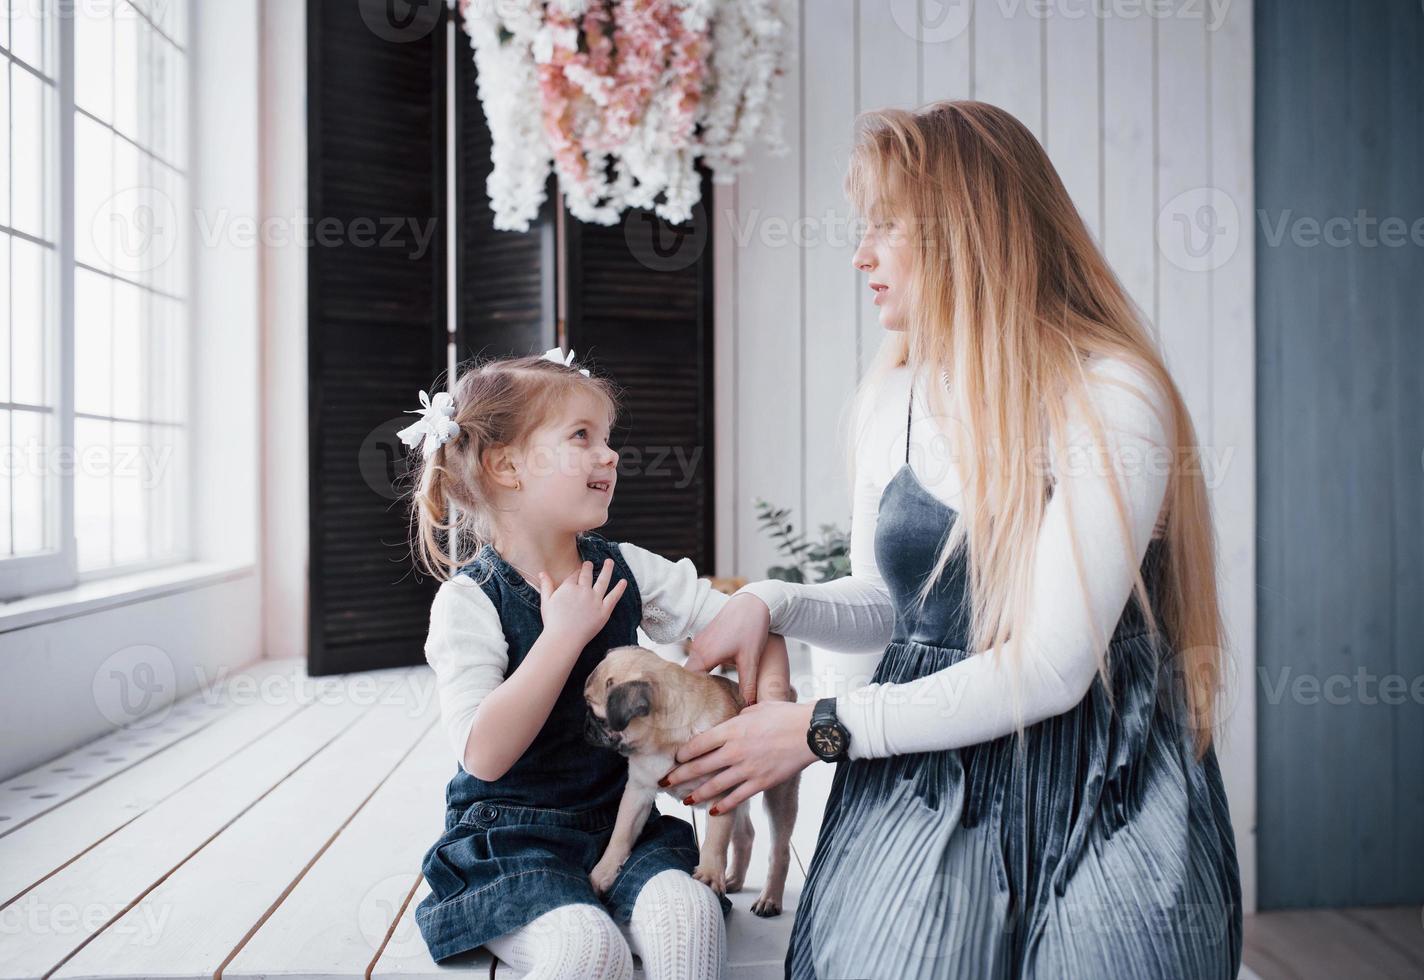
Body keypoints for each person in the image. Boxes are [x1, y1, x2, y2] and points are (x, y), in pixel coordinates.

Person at [660, 101, 1244, 979]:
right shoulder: (892, 395)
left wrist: (818, 730)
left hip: (1099, 776)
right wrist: (771, 602)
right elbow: (887, 610)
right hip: (925, 769)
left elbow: (1050, 668)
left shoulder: (1113, 394)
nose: (861, 256)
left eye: (886, 226)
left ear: (970, 229)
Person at [404, 349, 789, 979]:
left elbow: (747, 618)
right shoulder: (470, 601)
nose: (609, 455)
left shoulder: (624, 566)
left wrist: (768, 701)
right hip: (513, 841)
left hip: (622, 824)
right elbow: (483, 754)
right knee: (589, 951)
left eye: (607, 439)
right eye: (582, 436)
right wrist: (561, 638)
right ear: (506, 465)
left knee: (690, 918)